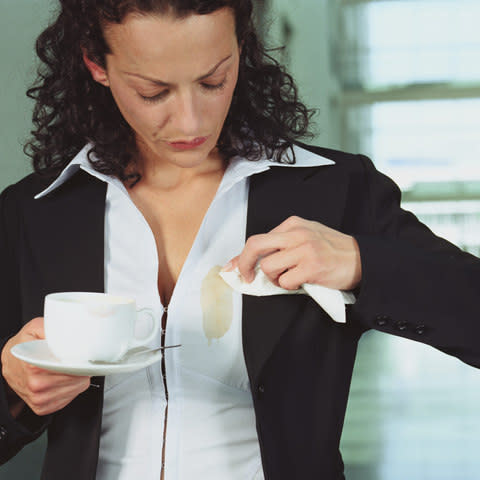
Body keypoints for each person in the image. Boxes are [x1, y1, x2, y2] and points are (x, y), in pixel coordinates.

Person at [0, 1, 479, 479]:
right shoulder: (34, 213)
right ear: (96, 65)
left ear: (241, 50)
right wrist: (16, 395)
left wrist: (361, 261)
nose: (190, 122)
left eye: (213, 81)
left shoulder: (337, 191)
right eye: (153, 92)